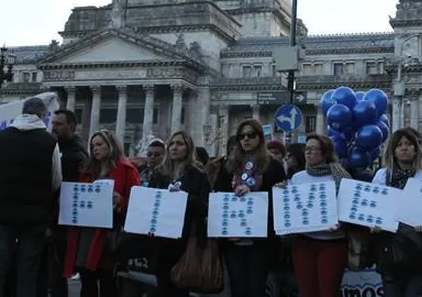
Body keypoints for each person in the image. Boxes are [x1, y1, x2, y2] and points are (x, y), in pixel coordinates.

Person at [0, 97, 62, 297]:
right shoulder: (49, 141)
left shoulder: (0, 137)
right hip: (34, 217)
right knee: (27, 274)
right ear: (42, 115)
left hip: (2, 214)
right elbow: (56, 181)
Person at [213, 119, 286, 297]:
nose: (246, 139)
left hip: (261, 241)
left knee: (256, 288)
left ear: (260, 138)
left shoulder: (273, 166)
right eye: (241, 136)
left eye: (251, 135)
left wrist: (278, 190)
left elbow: (279, 202)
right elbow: (218, 196)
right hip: (233, 240)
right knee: (237, 288)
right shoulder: (228, 166)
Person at [63, 130, 140, 296]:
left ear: (111, 145)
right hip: (87, 234)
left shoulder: (127, 170)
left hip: (110, 234)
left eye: (99, 144)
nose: (95, 149)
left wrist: (120, 201)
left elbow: (138, 204)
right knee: (87, 280)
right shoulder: (87, 171)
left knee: (108, 282)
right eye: (92, 146)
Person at [372, 128, 422, 297]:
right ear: (393, 151)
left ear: (416, 149)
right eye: (399, 145)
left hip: (417, 246)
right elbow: (373, 207)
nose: (404, 148)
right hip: (390, 245)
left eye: (409, 144)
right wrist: (374, 224)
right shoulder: (382, 175)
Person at [283, 134, 351, 297]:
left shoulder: (339, 176)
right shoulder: (297, 178)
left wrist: (341, 222)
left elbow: (349, 206)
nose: (308, 152)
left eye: (313, 149)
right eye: (306, 149)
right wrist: (283, 193)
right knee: (307, 292)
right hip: (304, 243)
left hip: (332, 244)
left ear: (325, 153)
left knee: (328, 291)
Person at [149, 131, 211, 296]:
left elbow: (207, 206)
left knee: (180, 288)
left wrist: (184, 198)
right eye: (172, 144)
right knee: (162, 287)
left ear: (188, 148)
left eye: (180, 144)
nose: (174, 147)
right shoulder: (158, 173)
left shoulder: (198, 175)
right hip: (160, 240)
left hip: (186, 240)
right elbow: (149, 201)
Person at [40, 109, 89, 297]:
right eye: (53, 123)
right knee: (45, 272)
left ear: (72, 126)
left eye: (59, 124)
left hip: (63, 221)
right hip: (48, 217)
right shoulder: (50, 147)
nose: (53, 127)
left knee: (57, 272)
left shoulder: (76, 155)